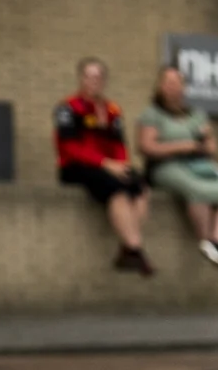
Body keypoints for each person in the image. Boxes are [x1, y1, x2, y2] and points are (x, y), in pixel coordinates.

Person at [133, 65, 218, 270]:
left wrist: (205, 144)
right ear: (160, 86)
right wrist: (182, 146)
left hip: (198, 165)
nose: (172, 87)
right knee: (197, 190)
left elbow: (212, 146)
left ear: (184, 87)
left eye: (177, 82)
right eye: (168, 82)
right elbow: (146, 147)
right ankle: (205, 240)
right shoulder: (152, 114)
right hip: (165, 166)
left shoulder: (197, 115)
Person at [53, 57, 153, 278]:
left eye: (97, 77)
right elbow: (69, 148)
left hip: (109, 167)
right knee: (117, 190)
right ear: (80, 79)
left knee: (141, 187)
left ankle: (128, 248)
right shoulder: (67, 108)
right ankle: (136, 249)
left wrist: (122, 165)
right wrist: (105, 164)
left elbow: (119, 145)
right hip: (76, 167)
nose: (93, 81)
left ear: (104, 81)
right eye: (88, 76)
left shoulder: (112, 110)